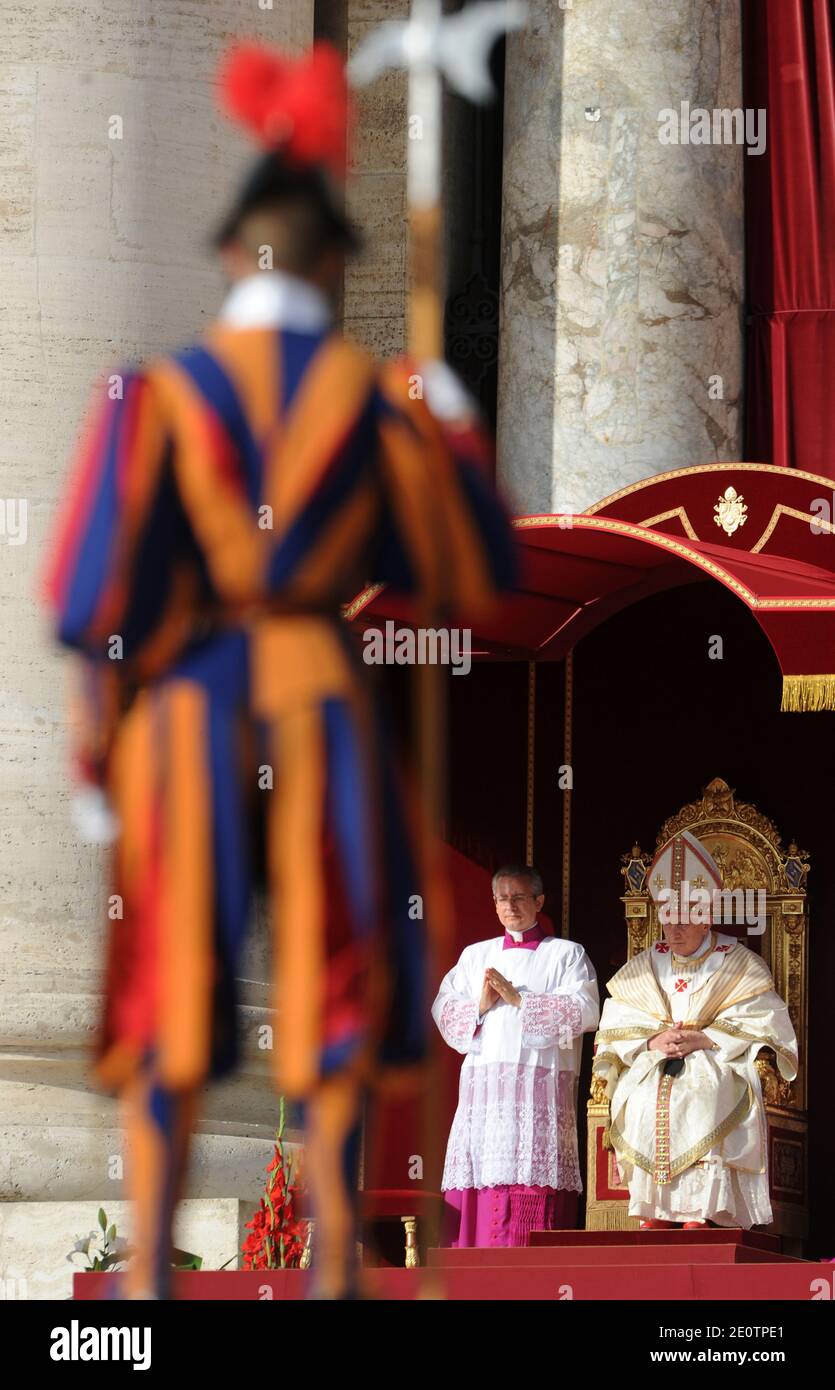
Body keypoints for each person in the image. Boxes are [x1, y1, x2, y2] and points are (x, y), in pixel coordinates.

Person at [42, 40, 516, 1299]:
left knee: (166, 989)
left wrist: (98, 751)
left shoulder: (152, 397)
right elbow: (474, 561)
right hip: (316, 684)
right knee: (338, 981)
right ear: (330, 264)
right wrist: (453, 418)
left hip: (190, 697)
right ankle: (335, 1280)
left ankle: (143, 1264)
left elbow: (95, 602)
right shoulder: (376, 404)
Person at [593, 830, 798, 1230]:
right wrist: (653, 1040)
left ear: (706, 919)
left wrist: (705, 1038)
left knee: (703, 1095)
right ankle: (655, 1210)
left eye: (684, 918)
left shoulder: (737, 961)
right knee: (643, 1099)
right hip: (657, 1058)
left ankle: (700, 1211)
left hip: (717, 1056)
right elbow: (616, 1015)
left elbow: (766, 1019)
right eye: (667, 917)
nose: (672, 928)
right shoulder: (649, 961)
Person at [432, 865, 599, 1246]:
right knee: (482, 1174)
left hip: (536, 1089)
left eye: (519, 897)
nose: (510, 905)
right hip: (485, 1092)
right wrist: (480, 1004)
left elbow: (587, 1011)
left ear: (539, 902)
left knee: (530, 1176)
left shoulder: (567, 955)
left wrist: (520, 999)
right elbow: (442, 1008)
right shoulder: (476, 956)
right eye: (502, 898)